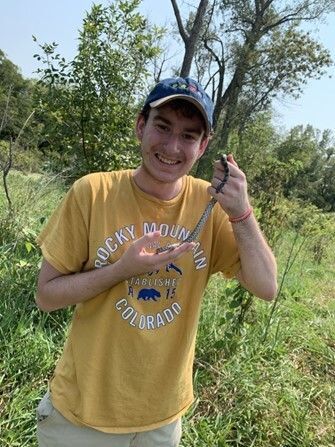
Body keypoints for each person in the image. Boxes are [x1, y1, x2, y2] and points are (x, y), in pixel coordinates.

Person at [35, 76, 277, 447]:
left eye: (188, 135)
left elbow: (266, 287)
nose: (172, 146)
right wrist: (122, 270)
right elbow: (46, 297)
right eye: (162, 127)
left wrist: (241, 211)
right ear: (140, 125)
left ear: (203, 146)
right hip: (81, 418)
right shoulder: (92, 193)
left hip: (161, 421)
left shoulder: (209, 206)